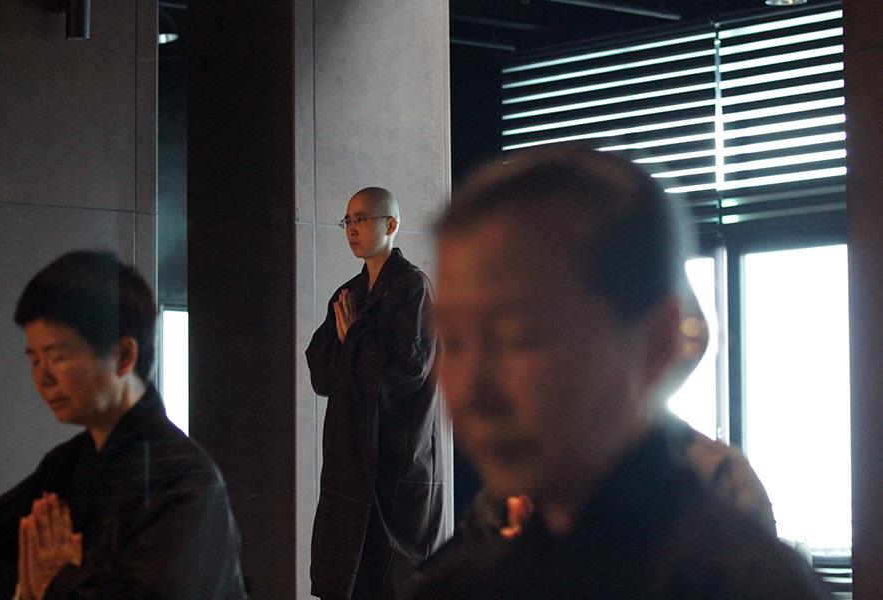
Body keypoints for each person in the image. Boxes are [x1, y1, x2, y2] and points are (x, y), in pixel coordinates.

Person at [417, 147, 828, 599]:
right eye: (451, 341)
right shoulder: (463, 583)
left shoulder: (746, 584)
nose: (471, 391)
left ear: (657, 343)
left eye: (520, 337)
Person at [0, 251, 246, 600]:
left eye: (58, 357)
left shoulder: (185, 481)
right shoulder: (64, 466)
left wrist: (57, 581)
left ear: (123, 355)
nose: (43, 377)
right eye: (35, 360)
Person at [306, 187, 445, 600]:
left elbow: (409, 373)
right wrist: (351, 344)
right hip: (350, 455)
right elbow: (323, 376)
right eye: (347, 221)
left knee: (392, 580)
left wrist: (355, 341)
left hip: (396, 459)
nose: (352, 229)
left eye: (362, 219)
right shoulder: (347, 294)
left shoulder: (413, 288)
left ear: (391, 225)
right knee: (347, 574)